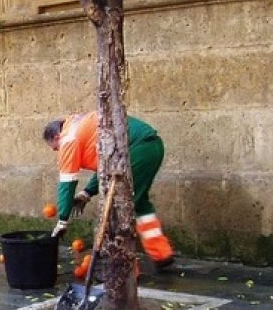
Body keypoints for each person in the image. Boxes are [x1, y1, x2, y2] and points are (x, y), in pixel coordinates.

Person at [43, 112, 175, 270]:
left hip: (137, 149)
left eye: (55, 148)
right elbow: (105, 167)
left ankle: (125, 270)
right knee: (139, 203)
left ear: (57, 137)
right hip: (152, 146)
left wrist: (62, 220)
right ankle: (161, 254)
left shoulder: (68, 140)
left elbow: (67, 183)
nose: (56, 151)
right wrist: (87, 192)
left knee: (120, 208)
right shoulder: (78, 125)